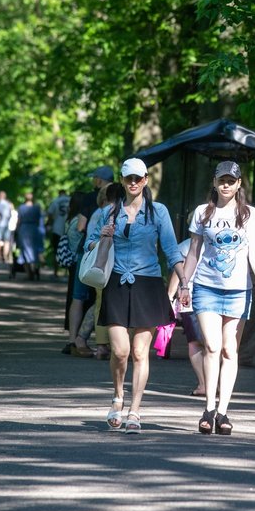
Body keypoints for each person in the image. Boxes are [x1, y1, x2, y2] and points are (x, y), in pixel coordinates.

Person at [86, 158, 186, 435]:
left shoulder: (158, 212)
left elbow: (171, 248)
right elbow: (88, 245)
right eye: (128, 178)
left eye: (138, 178)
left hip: (148, 284)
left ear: (145, 180)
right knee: (120, 351)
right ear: (122, 180)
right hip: (116, 283)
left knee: (141, 352)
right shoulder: (110, 212)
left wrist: (185, 282)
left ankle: (135, 410)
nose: (133, 183)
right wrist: (100, 237)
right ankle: (117, 397)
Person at [180, 161, 255, 436]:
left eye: (231, 181)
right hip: (206, 286)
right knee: (212, 345)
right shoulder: (202, 213)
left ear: (239, 183)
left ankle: (223, 412)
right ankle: (208, 408)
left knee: (230, 349)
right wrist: (185, 283)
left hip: (238, 290)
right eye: (222, 181)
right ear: (215, 183)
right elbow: (193, 251)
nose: (226, 185)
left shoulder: (250, 215)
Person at [64, 166, 114, 355]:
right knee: (99, 300)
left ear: (99, 180)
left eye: (94, 177)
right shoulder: (120, 205)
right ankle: (91, 341)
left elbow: (80, 227)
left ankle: (74, 340)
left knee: (78, 298)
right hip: (107, 259)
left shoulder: (89, 200)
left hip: (86, 255)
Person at [166, 239, 206, 397]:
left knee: (195, 342)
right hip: (190, 298)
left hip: (190, 298)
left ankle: (204, 383)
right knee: (203, 343)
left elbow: (178, 271)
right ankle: (208, 383)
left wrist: (169, 296)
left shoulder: (187, 245)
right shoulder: (187, 245)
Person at [15, 192, 44, 280]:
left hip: (24, 229)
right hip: (34, 229)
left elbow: (19, 220)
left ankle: (29, 273)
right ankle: (35, 270)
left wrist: (16, 230)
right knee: (35, 250)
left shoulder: (21, 208)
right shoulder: (37, 207)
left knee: (24, 250)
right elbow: (40, 220)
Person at [45, 189, 70, 277]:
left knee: (56, 251)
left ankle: (55, 272)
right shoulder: (70, 200)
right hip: (68, 228)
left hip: (57, 229)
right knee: (69, 250)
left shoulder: (55, 201)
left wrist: (49, 224)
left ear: (59, 194)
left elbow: (50, 214)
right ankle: (67, 273)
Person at [0, 190, 14, 263]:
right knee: (6, 241)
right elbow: (11, 214)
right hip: (7, 224)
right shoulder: (8, 204)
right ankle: (5, 256)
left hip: (0, 224)